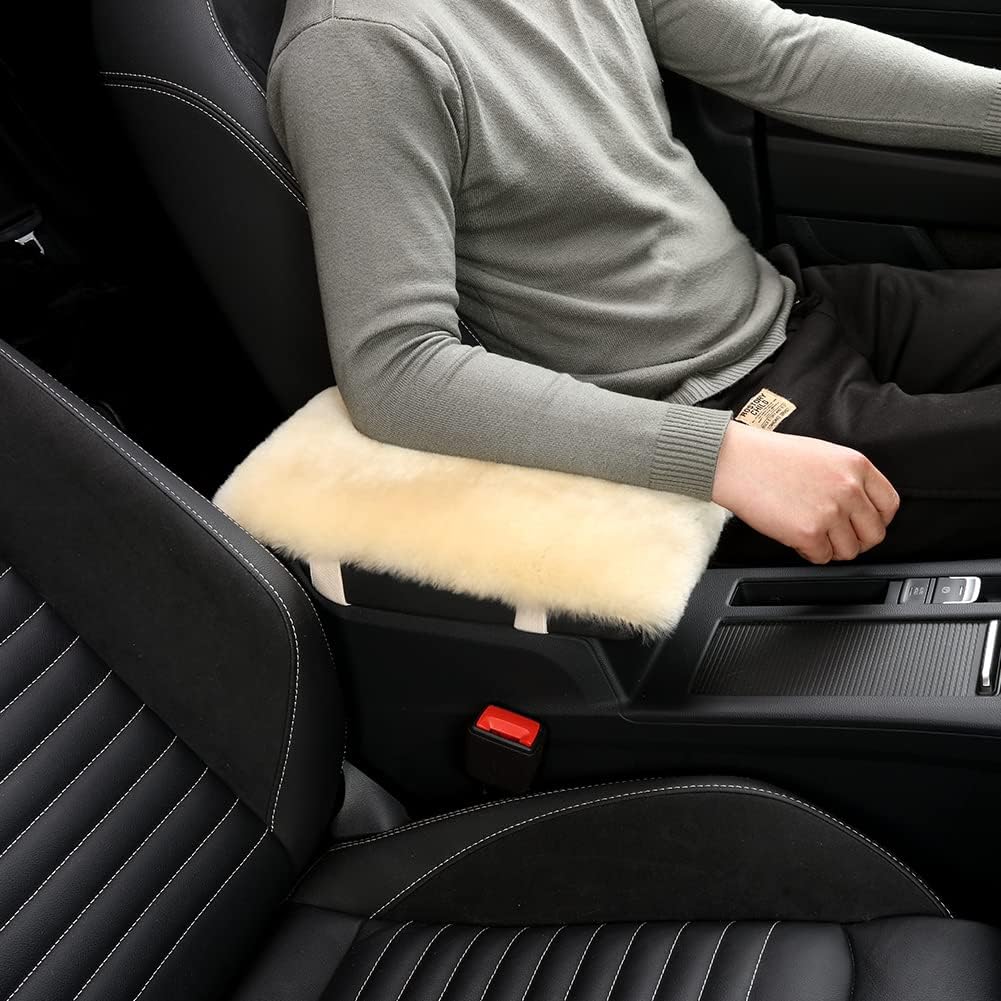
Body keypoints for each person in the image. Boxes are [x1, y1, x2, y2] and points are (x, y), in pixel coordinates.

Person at [267, 0, 1001, 566]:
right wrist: (718, 457)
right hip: (722, 417)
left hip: (796, 305)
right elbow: (395, 369)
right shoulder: (357, 49)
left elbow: (780, 52)